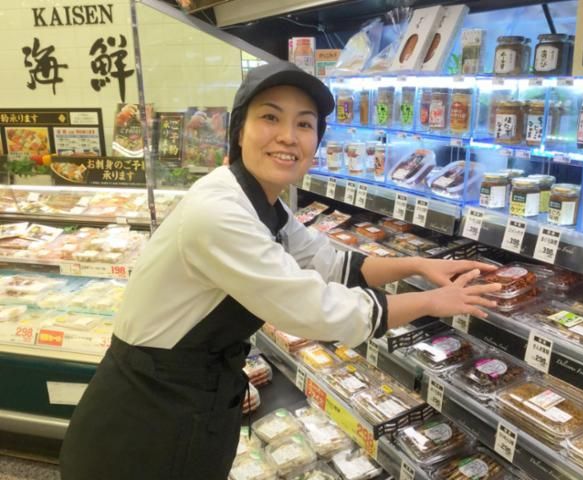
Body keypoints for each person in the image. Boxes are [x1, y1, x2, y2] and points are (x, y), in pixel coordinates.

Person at [59, 61, 500, 480]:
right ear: (239, 131)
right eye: (270, 118)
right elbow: (315, 310)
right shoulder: (218, 212)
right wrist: (432, 301)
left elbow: (330, 263)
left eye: (304, 124)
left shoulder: (259, 201)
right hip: (146, 421)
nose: (288, 137)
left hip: (191, 398)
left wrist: (420, 264)